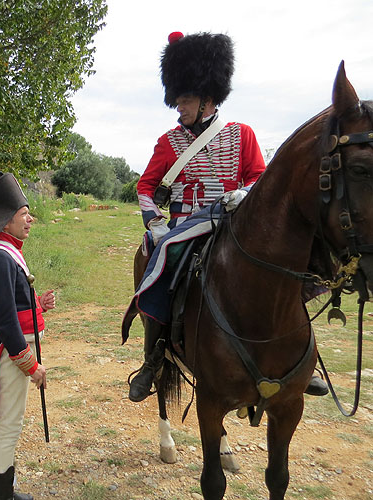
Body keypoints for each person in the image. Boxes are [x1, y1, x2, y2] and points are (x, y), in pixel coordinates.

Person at [129, 32, 328, 401]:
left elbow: (259, 178)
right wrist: (155, 222)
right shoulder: (168, 143)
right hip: (185, 226)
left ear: (207, 99)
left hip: (235, 222)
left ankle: (304, 359)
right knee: (160, 266)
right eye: (177, 101)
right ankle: (154, 356)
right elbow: (145, 186)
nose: (179, 108)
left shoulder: (242, 135)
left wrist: (243, 194)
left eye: (184, 100)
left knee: (289, 269)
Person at [0, 171, 56, 500]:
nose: (30, 219)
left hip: (9, 350)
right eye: (23, 213)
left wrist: (38, 306)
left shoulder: (6, 252)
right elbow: (5, 321)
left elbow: (11, 304)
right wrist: (31, 366)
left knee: (8, 424)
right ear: (6, 219)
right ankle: (1, 496)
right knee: (7, 426)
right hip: (8, 354)